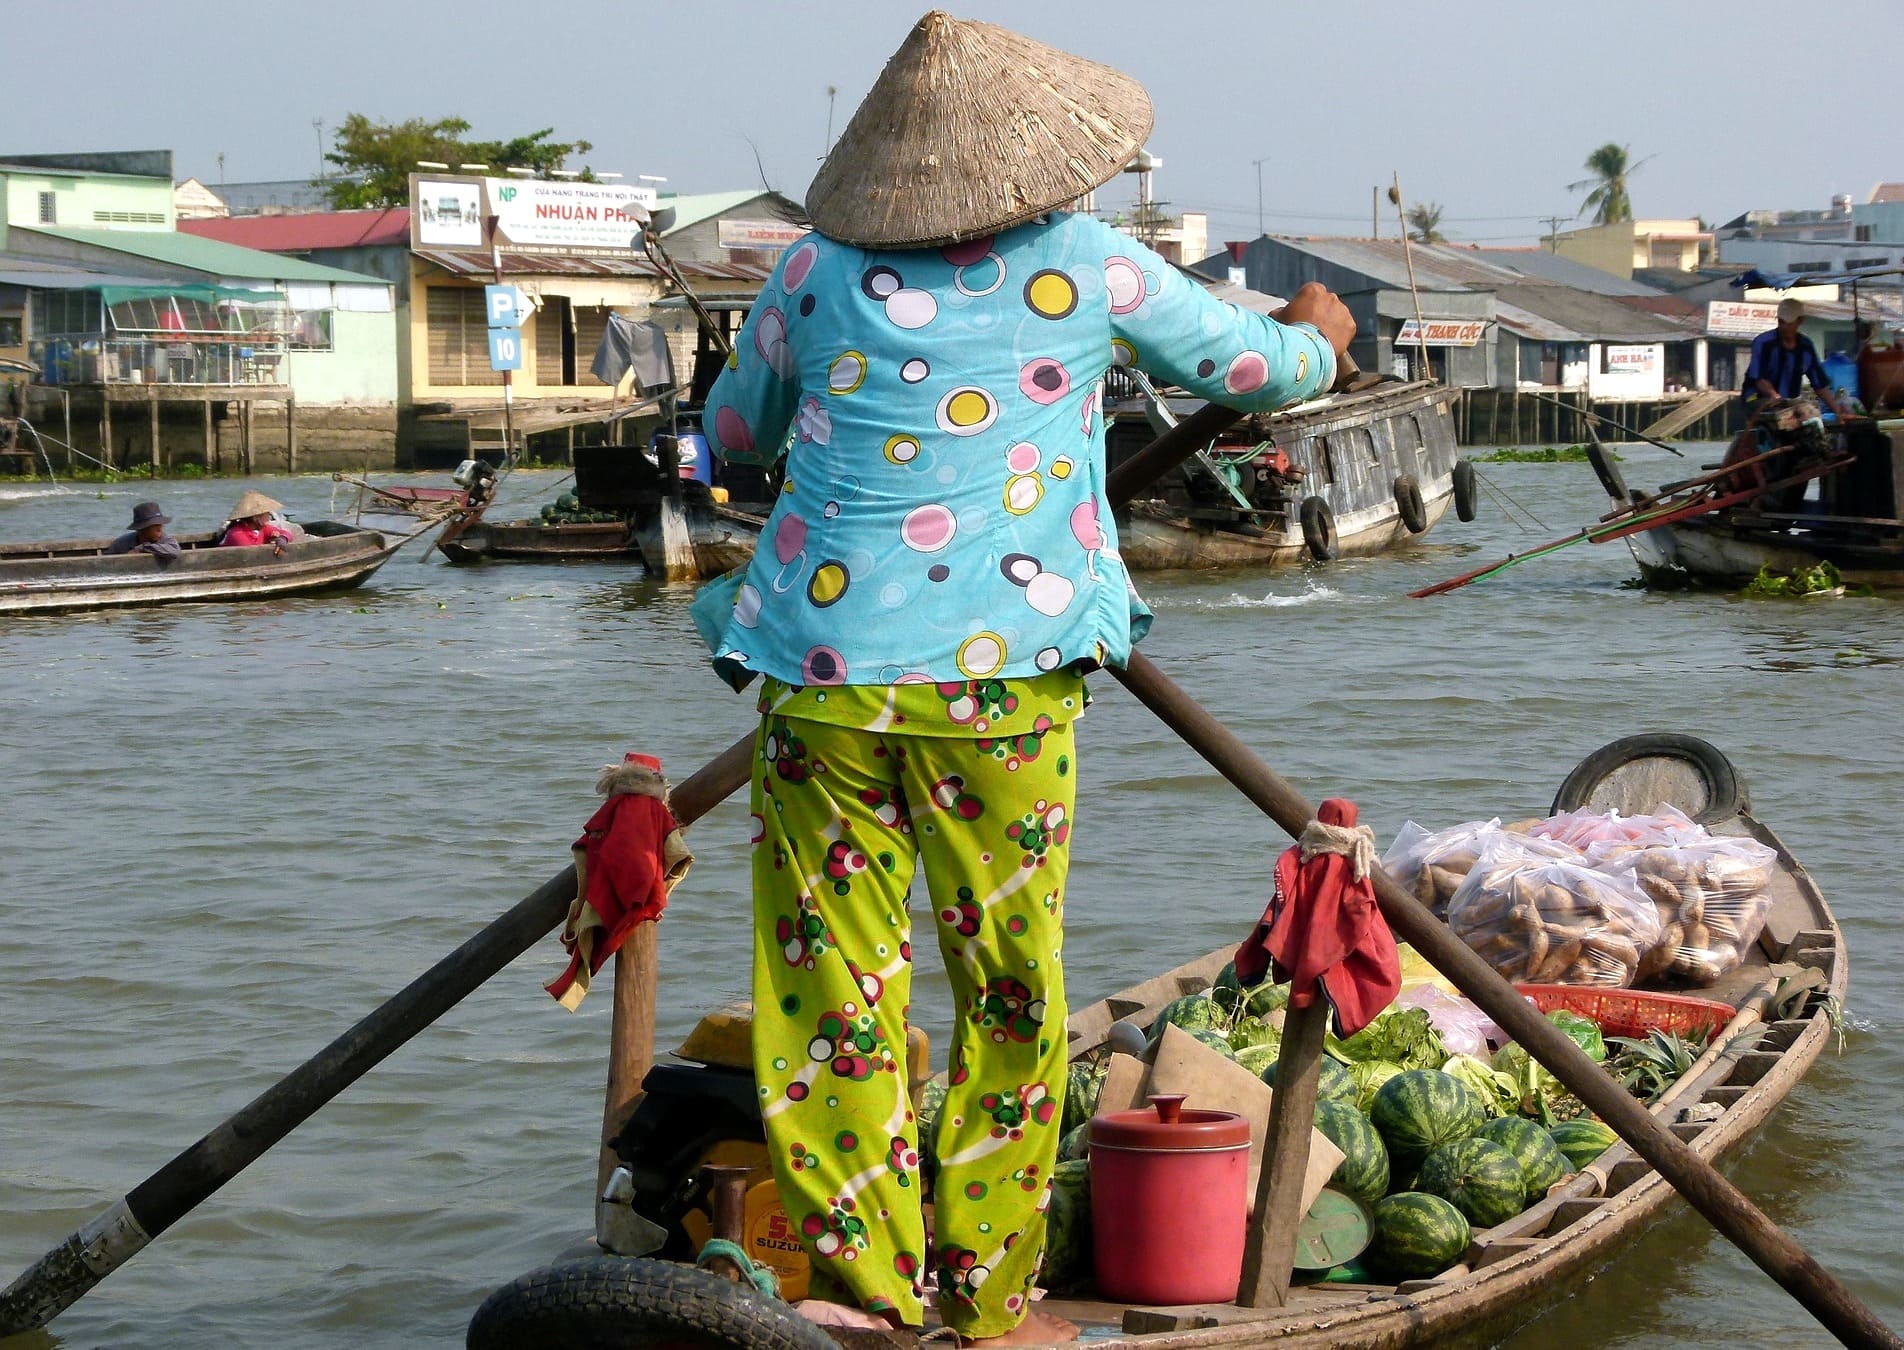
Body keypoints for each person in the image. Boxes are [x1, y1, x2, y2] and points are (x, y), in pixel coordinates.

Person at [697, 12, 1354, 1343]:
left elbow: (727, 437)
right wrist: (1322, 330)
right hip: (1000, 696)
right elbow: (1260, 369)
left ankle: (865, 1289)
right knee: (1007, 986)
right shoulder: (1087, 262)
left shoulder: (812, 273)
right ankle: (986, 1287)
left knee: (834, 990)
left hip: (820, 684)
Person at [1743, 299, 1849, 416]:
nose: (1784, 327)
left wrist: (1838, 411)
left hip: (1788, 402)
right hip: (1757, 399)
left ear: (1800, 321)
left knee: (1810, 415)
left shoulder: (1806, 346)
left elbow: (1819, 384)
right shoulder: (1763, 342)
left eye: (1789, 323)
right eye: (1781, 322)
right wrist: (1774, 395)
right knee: (1780, 415)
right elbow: (1758, 378)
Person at [219, 489, 296, 553]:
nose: (269, 517)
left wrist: (281, 539)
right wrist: (268, 543)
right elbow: (252, 554)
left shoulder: (263, 528)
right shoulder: (237, 534)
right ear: (255, 518)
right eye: (267, 514)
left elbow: (286, 533)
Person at [105, 501, 181, 560]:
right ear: (142, 528)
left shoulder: (165, 539)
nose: (160, 528)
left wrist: (143, 548)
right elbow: (106, 561)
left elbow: (175, 551)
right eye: (155, 525)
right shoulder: (121, 543)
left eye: (160, 524)